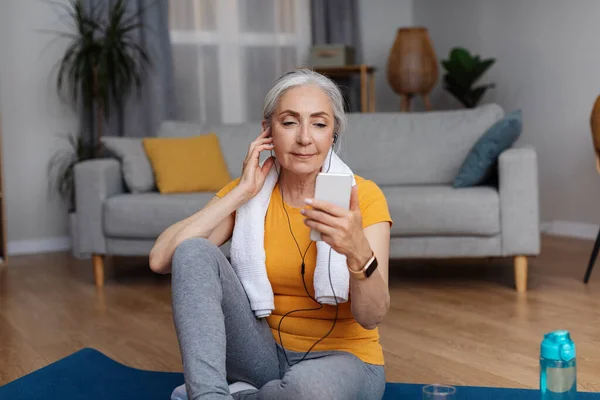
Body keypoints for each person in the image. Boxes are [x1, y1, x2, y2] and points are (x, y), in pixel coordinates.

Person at [149, 68, 393, 400]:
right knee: (193, 250)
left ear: (333, 132)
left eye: (319, 124)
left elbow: (371, 317)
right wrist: (240, 193)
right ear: (268, 131)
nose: (305, 138)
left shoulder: (363, 197)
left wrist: (358, 252)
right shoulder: (251, 193)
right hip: (263, 355)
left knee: (307, 391)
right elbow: (162, 259)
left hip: (344, 362)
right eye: (290, 122)